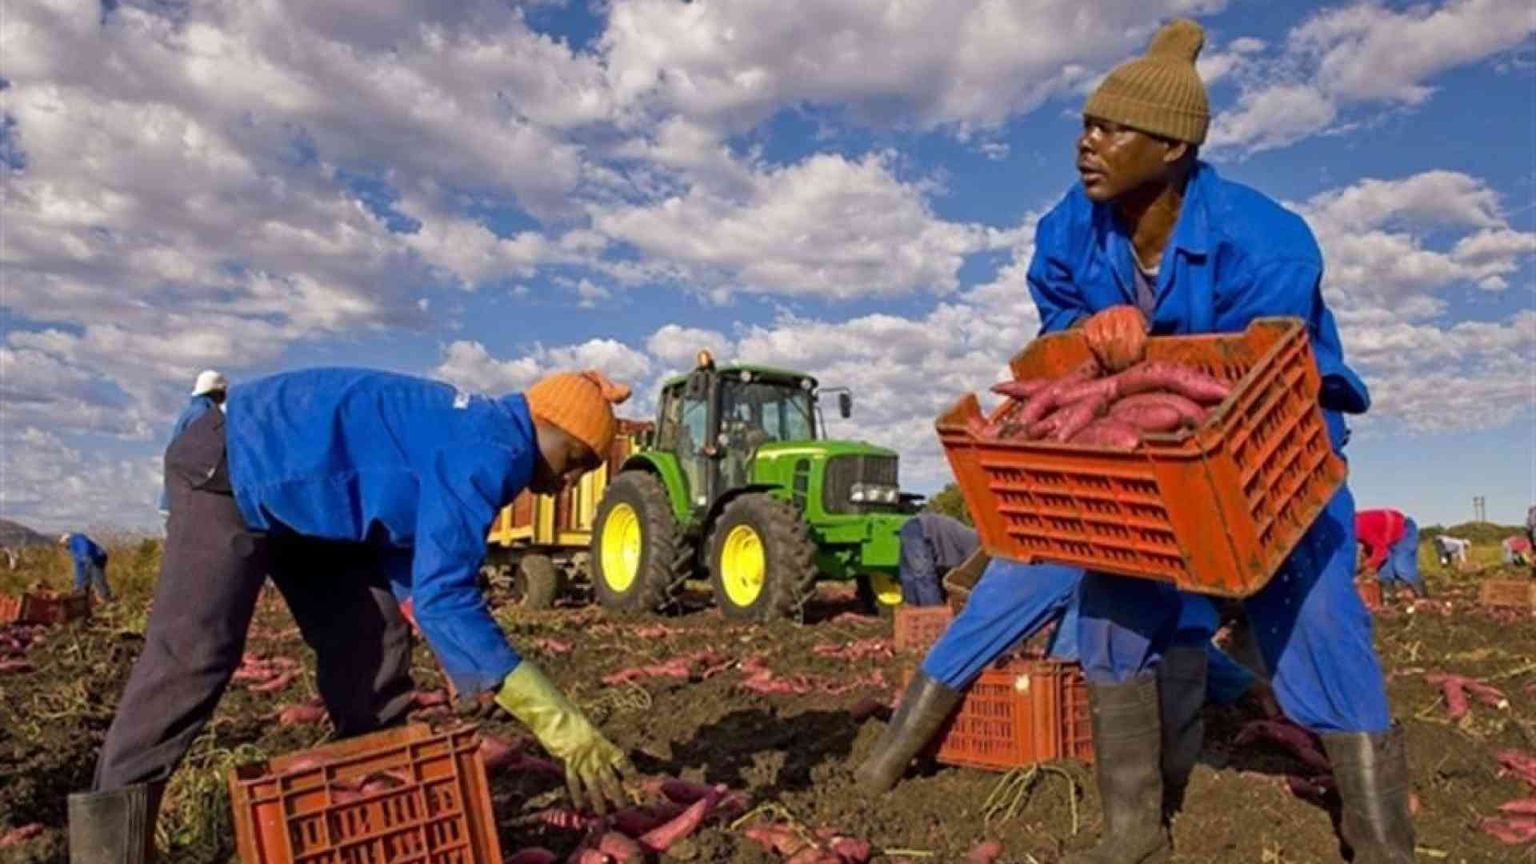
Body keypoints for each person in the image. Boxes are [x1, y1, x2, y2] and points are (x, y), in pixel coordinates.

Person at [958, 19, 1405, 862]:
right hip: (1137, 463)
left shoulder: (1265, 239)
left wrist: (1145, 356)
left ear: (1171, 148)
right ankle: (1134, 833)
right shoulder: (1071, 226)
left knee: (1318, 619)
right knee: (1113, 609)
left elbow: (1253, 371)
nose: (1086, 144)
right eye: (1086, 125)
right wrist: (1091, 328)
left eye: (1110, 129)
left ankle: (1382, 843)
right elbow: (1057, 306)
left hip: (1270, 451)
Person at [68, 368, 638, 864]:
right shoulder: (492, 447)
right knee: (195, 654)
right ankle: (108, 848)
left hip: (313, 513)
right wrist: (559, 724)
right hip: (234, 464)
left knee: (370, 639)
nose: (570, 482)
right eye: (574, 460)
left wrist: (461, 656)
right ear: (544, 421)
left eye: (585, 472)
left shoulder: (481, 436)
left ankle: (372, 810)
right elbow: (445, 596)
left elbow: (410, 557)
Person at [857, 558, 1276, 822]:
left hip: (1048, 511)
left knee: (1001, 605)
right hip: (1130, 533)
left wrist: (1244, 684)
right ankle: (1161, 797)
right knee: (1162, 616)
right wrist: (1247, 684)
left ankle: (883, 764)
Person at [158, 370, 229, 515]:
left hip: (177, 496)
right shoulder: (204, 416)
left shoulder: (190, 413)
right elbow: (203, 459)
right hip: (190, 500)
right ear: (217, 393)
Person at [896, 512, 980, 606]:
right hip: (920, 528)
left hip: (915, 529)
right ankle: (933, 612)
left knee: (910, 579)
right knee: (924, 577)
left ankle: (913, 609)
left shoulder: (976, 545)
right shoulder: (979, 548)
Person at [1356, 509, 1427, 598]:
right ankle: (1390, 598)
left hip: (1404, 532)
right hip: (1385, 538)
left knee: (1402, 567)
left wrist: (1367, 566)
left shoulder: (1360, 527)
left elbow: (1380, 550)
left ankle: (1422, 596)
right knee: (1384, 571)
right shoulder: (1349, 529)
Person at [59, 532, 111, 603]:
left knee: (97, 577)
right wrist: (78, 583)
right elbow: (79, 568)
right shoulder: (74, 550)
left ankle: (105, 597)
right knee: (85, 578)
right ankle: (84, 596)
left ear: (67, 540)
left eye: (64, 544)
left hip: (97, 557)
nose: (65, 547)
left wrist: (85, 556)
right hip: (90, 559)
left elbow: (85, 547)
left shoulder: (76, 538)